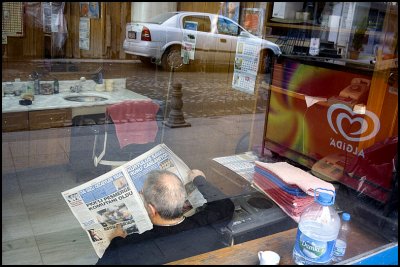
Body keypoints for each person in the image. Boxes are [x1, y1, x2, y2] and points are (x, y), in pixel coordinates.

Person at [96, 169, 234, 265]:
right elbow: (225, 204)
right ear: (183, 199)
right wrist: (199, 179)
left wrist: (115, 240)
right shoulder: (209, 222)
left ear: (151, 209)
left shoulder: (128, 248)